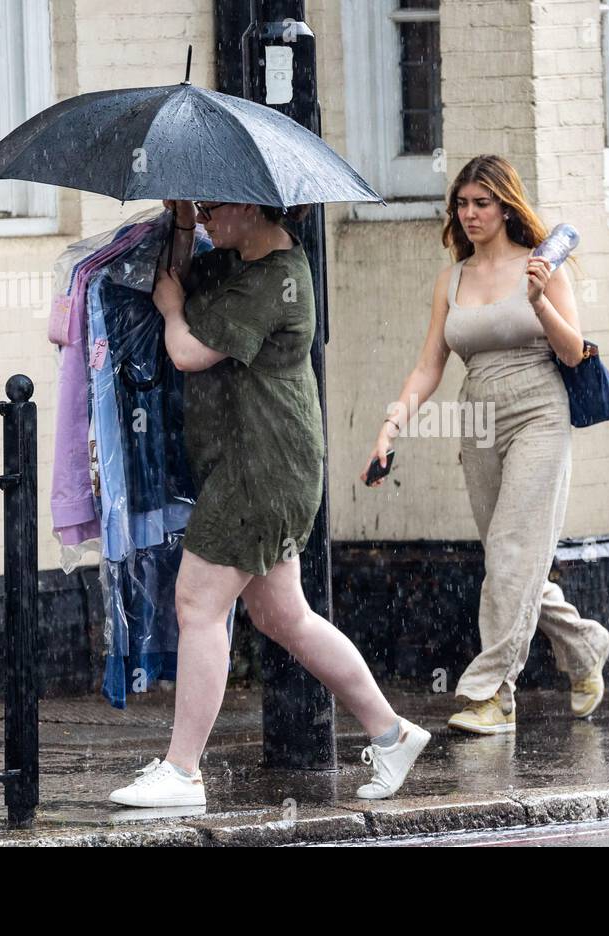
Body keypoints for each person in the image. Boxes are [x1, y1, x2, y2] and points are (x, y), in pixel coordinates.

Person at [108, 198, 430, 807]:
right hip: (255, 465)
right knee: (284, 617)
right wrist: (180, 222)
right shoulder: (237, 260)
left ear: (255, 208)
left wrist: (174, 312)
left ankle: (182, 772)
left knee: (197, 603)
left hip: (260, 469)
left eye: (213, 208)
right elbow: (175, 275)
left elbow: (187, 351)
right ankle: (392, 733)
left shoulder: (278, 279)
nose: (205, 218)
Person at [363, 155, 609, 735]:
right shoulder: (450, 281)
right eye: (462, 204)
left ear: (506, 207)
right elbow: (429, 365)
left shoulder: (542, 267)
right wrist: (392, 424)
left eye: (482, 203)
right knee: (513, 559)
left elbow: (574, 352)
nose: (470, 214)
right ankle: (583, 644)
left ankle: (491, 693)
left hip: (539, 411)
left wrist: (540, 298)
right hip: (477, 418)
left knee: (509, 553)